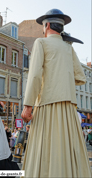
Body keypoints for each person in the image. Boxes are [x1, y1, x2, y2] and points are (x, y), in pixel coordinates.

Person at [21, 9, 91, 177]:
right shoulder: (69, 48)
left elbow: (36, 75)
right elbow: (80, 77)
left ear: (48, 26)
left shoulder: (41, 43)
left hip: (47, 103)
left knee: (45, 147)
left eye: (43, 27)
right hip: (68, 108)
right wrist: (61, 79)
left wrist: (28, 106)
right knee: (66, 147)